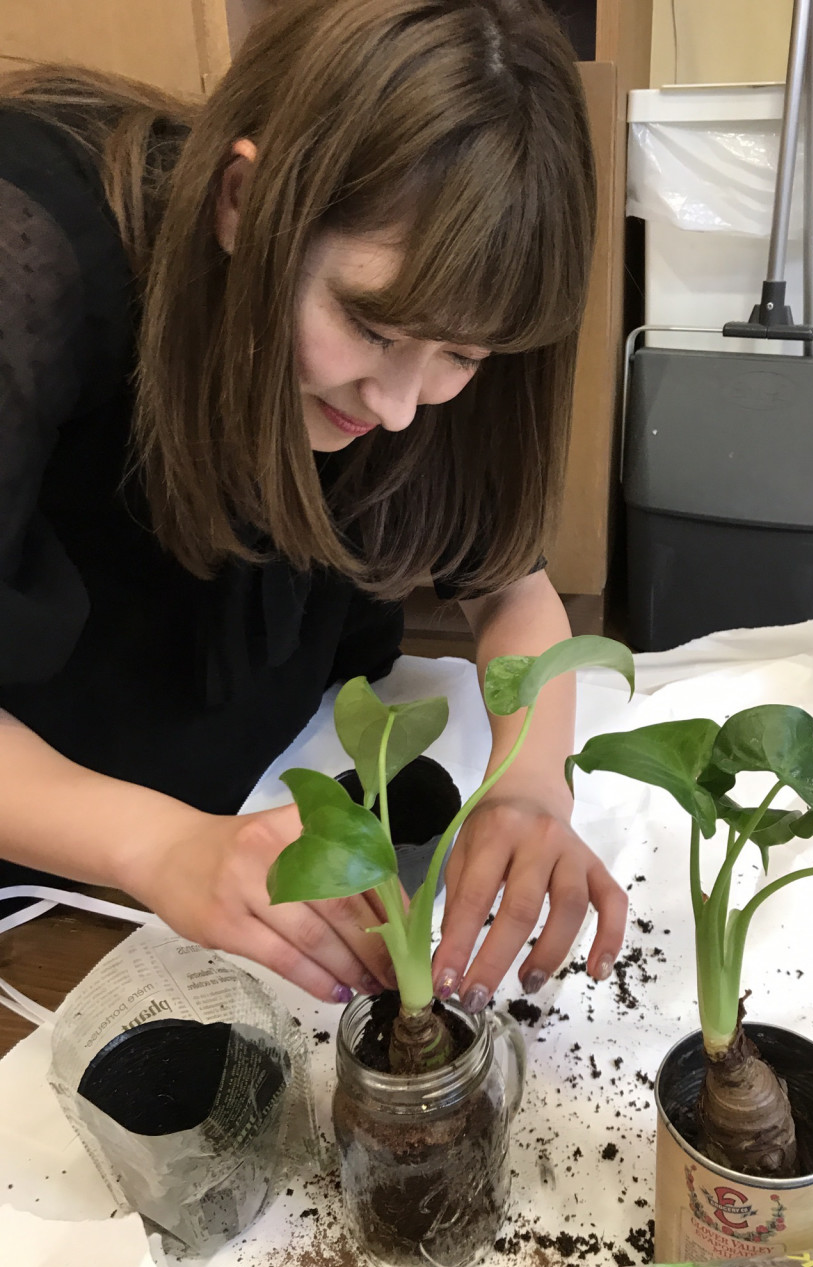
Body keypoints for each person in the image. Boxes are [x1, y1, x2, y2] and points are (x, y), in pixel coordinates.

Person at [0, 0, 627, 1014]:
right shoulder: (30, 254)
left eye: (463, 355)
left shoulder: (419, 362)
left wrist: (528, 784)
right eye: (370, 324)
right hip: (50, 857)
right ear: (245, 201)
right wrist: (158, 845)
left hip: (257, 784)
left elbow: (512, 590)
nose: (399, 405)